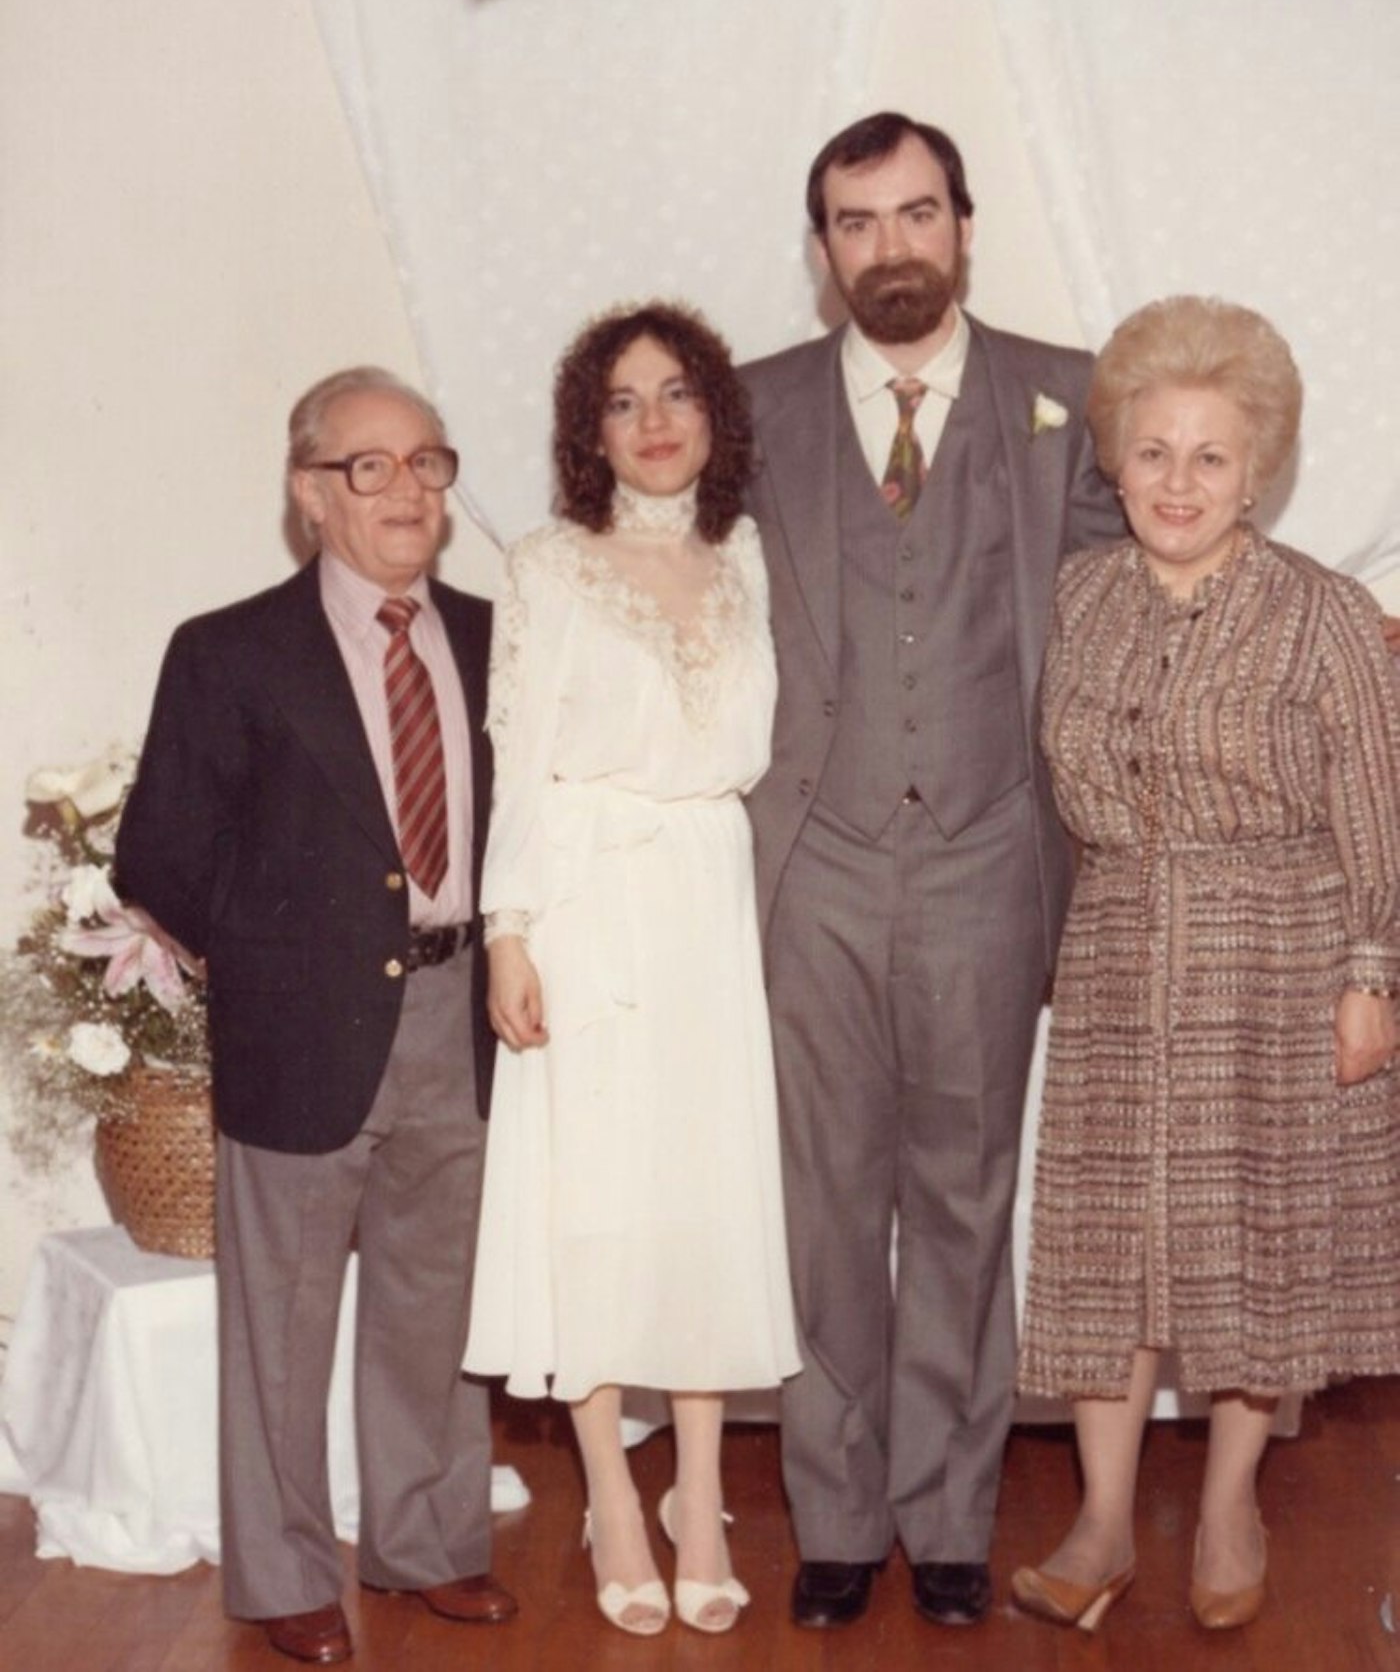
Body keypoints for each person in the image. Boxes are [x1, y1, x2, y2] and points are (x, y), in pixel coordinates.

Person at [738, 111, 1126, 1630]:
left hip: (989, 860)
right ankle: (834, 1517)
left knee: (964, 1201)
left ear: (965, 226)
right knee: (824, 1201)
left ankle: (953, 1516)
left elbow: (1149, 576)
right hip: (813, 865)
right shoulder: (751, 408)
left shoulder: (1069, 398)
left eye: (915, 215)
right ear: (822, 246)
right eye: (855, 222)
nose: (888, 248)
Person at [1012, 295, 1400, 1633]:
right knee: (1105, 1249)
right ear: (1115, 458)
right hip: (1119, 951)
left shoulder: (1327, 615)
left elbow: (1379, 805)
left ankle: (1232, 1503)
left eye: (1211, 457)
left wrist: (1374, 974)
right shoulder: (1080, 596)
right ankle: (1104, 1519)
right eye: (1155, 451)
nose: (1178, 482)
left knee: (1257, 1249)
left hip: (1277, 960)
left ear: (1259, 472)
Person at [115, 368, 512, 1666]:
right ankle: (284, 1575)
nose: (406, 490)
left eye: (428, 463)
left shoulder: (494, 637)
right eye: (370, 466)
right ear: (309, 493)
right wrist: (287, 952)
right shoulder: (227, 651)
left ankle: (430, 1541)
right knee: (281, 1322)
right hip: (301, 1028)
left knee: (436, 1305)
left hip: (461, 1019)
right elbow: (163, 857)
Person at [464, 302, 800, 1636]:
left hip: (708, 903)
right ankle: (612, 1486)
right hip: (588, 897)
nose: (653, 420)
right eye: (622, 400)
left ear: (714, 416)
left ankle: (701, 1489)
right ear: (587, 433)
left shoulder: (752, 557)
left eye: (675, 394)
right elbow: (523, 762)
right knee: (594, 1201)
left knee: (705, 1199)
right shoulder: (547, 565)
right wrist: (508, 930)